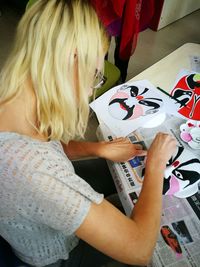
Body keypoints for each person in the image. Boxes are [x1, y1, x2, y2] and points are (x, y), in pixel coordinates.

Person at [0, 1, 177, 267]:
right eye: (95, 75)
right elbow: (138, 249)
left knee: (122, 179)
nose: (90, 88)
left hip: (35, 202)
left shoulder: (14, 95)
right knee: (154, 210)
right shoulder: (31, 169)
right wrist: (155, 166)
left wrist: (97, 149)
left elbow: (48, 143)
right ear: (72, 58)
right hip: (58, 255)